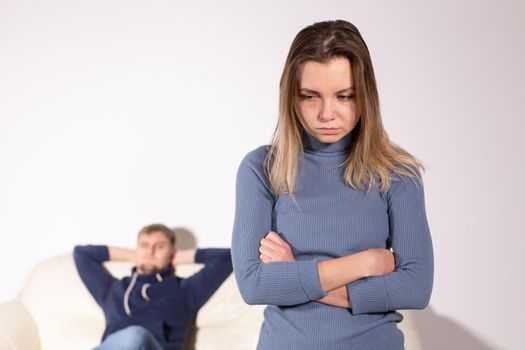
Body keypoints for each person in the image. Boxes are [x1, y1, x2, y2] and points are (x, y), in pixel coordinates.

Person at [231, 20, 433, 349]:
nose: (327, 114)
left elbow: (415, 288)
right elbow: (254, 285)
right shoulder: (261, 169)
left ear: (365, 96)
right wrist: (363, 263)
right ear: (290, 97)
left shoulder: (398, 173)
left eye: (344, 96)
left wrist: (293, 273)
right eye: (310, 97)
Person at [74, 223, 232, 350]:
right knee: (131, 337)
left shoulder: (184, 290)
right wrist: (136, 255)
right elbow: (81, 254)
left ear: (171, 253)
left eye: (160, 246)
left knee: (135, 336)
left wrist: (180, 257)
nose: (150, 251)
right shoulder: (113, 289)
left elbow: (228, 258)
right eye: (144, 245)